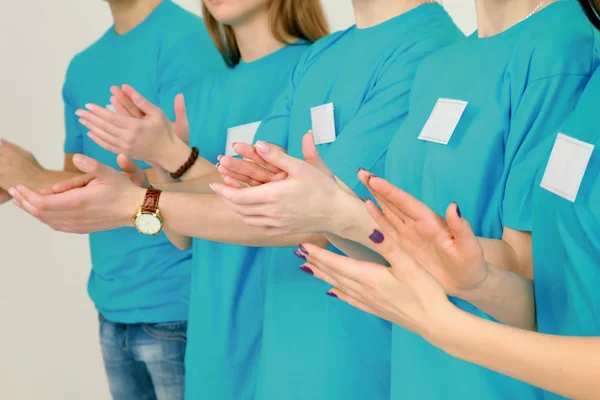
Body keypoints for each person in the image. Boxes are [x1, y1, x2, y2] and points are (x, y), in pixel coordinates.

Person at [9, 1, 464, 398]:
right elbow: (240, 196)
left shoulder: (423, 50)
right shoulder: (323, 57)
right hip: (248, 340)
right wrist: (161, 172)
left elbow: (307, 213)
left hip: (340, 343)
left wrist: (140, 201)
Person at [208, 0, 598, 398]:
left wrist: (344, 215)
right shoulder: (442, 65)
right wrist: (334, 213)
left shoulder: (565, 46)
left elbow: (535, 278)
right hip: (417, 370)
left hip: (497, 379)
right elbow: (418, 255)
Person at [293, 54, 600, 397]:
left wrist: (446, 327)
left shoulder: (566, 53)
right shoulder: (591, 88)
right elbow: (556, 304)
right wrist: (476, 282)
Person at [84, 1, 329, 398]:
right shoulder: (205, 90)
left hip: (289, 328)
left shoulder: (314, 70)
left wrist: (170, 162)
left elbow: (309, 217)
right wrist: (158, 176)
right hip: (212, 335)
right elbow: (182, 238)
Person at [1, 1, 225, 399]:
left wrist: (29, 173)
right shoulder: (83, 66)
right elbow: (80, 185)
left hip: (179, 310)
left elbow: (201, 185)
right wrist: (21, 183)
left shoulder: (188, 42)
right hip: (111, 308)